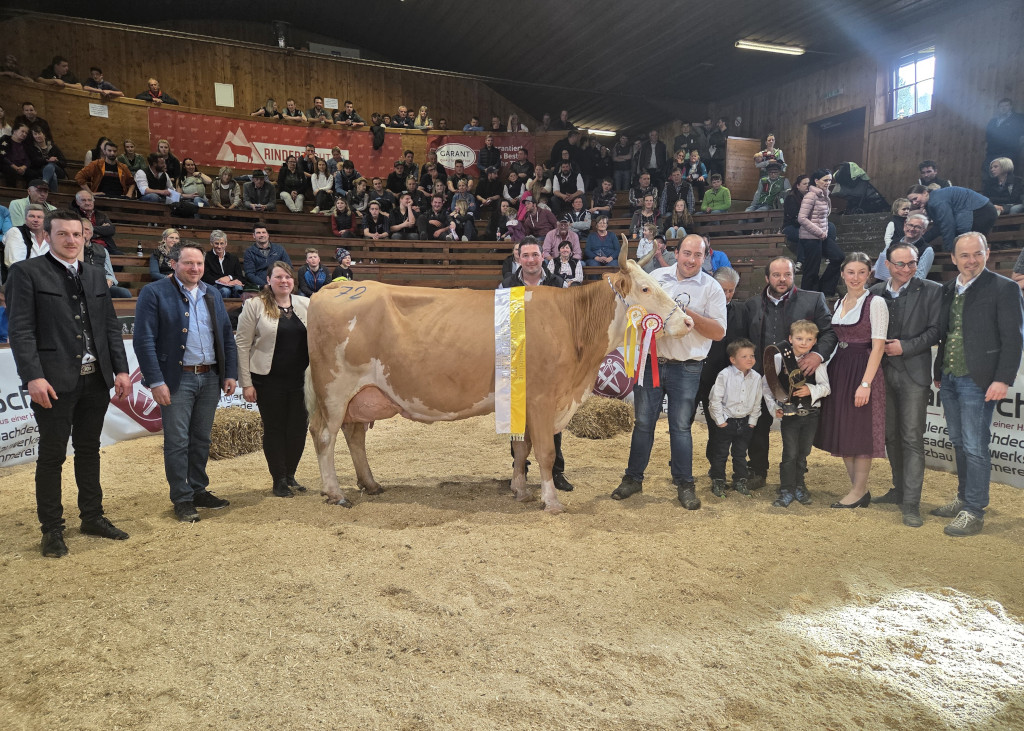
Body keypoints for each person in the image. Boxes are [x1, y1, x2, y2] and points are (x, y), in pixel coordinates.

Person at [7, 210, 132, 557]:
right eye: (63, 234)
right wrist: (32, 376)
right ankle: (52, 528)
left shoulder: (94, 274)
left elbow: (109, 326)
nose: (71, 240)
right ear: (47, 236)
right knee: (52, 456)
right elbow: (20, 330)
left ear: (85, 237)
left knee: (89, 450)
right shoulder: (25, 272)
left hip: (96, 381)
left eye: (77, 234)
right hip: (52, 382)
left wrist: (121, 370)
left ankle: (92, 516)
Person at [612, 234, 726, 509]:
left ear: (705, 257)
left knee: (681, 427)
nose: (691, 260)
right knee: (643, 424)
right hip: (650, 361)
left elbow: (719, 332)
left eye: (698, 255)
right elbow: (634, 310)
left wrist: (685, 314)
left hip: (687, 367)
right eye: (687, 253)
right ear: (677, 253)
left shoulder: (711, 288)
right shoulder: (656, 277)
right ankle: (632, 479)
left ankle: (685, 484)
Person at [134, 242, 237, 523]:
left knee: (201, 439)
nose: (195, 268)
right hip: (177, 379)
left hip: (210, 376)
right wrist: (156, 380)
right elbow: (143, 340)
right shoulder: (154, 292)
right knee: (177, 441)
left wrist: (230, 373)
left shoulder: (212, 293)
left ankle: (198, 489)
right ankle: (182, 498)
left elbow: (226, 337)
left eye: (199, 263)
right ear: (173, 264)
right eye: (189, 263)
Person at [931, 232, 1024, 536]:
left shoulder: (1005, 288)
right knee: (958, 442)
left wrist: (1002, 379)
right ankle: (963, 497)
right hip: (950, 377)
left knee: (974, 445)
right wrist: (939, 371)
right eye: (965, 255)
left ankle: (974, 509)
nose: (971, 261)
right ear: (953, 258)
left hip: (979, 380)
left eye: (977, 254)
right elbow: (947, 334)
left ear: (987, 253)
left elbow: (1014, 339)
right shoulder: (948, 289)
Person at [742, 257, 836, 490]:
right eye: (776, 275)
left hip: (800, 379)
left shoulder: (813, 299)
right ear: (767, 278)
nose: (782, 279)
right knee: (758, 425)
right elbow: (744, 339)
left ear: (794, 276)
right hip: (762, 375)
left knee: (798, 431)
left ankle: (796, 477)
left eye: (787, 274)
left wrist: (817, 355)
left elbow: (829, 332)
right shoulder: (752, 304)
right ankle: (758, 471)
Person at [866, 243, 943, 526]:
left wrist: (905, 346)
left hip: (914, 374)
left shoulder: (933, 290)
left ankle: (911, 503)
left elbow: (936, 330)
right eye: (900, 264)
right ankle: (898, 490)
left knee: (911, 438)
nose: (907, 269)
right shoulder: (874, 292)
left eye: (912, 263)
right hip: (882, 374)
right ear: (887, 265)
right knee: (890, 436)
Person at [813, 253, 888, 509]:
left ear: (869, 274)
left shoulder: (875, 303)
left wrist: (865, 384)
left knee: (861, 430)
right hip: (840, 368)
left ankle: (857, 491)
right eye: (851, 272)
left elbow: (878, 347)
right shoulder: (839, 302)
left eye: (861, 272)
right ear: (843, 274)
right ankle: (858, 489)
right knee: (844, 428)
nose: (856, 278)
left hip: (862, 368)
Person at [499, 237, 574, 492]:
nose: (531, 260)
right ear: (518, 258)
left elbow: (567, 322)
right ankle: (519, 468)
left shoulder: (558, 284)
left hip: (550, 364)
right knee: (517, 417)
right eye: (525, 255)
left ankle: (556, 471)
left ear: (543, 257)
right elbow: (500, 323)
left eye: (535, 255)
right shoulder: (507, 284)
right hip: (517, 360)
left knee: (551, 419)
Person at [235, 261, 310, 497]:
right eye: (278, 277)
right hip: (268, 381)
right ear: (268, 280)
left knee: (298, 429)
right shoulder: (254, 305)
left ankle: (290, 474)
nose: (284, 281)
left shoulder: (306, 304)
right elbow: (242, 344)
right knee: (275, 429)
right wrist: (246, 383)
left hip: (302, 381)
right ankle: (279, 479)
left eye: (288, 277)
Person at [768, 321, 831, 508]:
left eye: (809, 339)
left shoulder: (818, 363)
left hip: (811, 414)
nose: (804, 343)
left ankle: (799, 486)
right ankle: (786, 489)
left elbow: (826, 387)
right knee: (790, 453)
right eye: (799, 338)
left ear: (815, 341)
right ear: (790, 339)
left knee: (803, 453)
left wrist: (810, 389)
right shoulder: (779, 359)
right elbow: (768, 385)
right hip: (790, 415)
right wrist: (773, 407)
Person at [707, 339, 771, 498]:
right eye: (744, 356)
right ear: (733, 359)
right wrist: (721, 421)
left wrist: (752, 422)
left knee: (740, 454)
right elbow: (715, 399)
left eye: (752, 356)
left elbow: (757, 401)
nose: (750, 359)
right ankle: (718, 480)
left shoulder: (756, 377)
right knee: (720, 454)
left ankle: (740, 480)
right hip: (727, 421)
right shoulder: (724, 375)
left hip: (744, 422)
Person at [908, 184, 997, 252]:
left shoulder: (936, 201)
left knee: (966, 246)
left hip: (981, 211)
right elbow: (938, 226)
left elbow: (947, 224)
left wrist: (949, 250)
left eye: (915, 198)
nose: (914, 203)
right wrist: (918, 242)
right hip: (983, 209)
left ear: (925, 193)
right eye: (911, 201)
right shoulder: (933, 200)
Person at [798, 169, 843, 295]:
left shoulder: (824, 195)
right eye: (825, 180)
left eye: (830, 180)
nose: (828, 182)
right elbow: (801, 218)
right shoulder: (811, 196)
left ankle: (825, 289)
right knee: (812, 269)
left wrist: (824, 232)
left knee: (838, 257)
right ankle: (806, 296)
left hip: (821, 236)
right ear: (816, 181)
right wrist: (820, 232)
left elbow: (823, 218)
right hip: (810, 237)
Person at [873, 213, 935, 282]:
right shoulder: (892, 243)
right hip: (883, 284)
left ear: (923, 231)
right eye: (910, 225)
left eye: (917, 227)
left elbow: (920, 277)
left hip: (908, 287)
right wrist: (872, 273)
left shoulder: (927, 250)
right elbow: (879, 264)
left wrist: (896, 280)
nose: (912, 229)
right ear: (905, 226)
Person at [80, 219, 130, 298]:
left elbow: (110, 274)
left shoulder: (102, 250)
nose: (84, 232)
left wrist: (108, 282)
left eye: (87, 229)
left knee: (124, 293)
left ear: (92, 233)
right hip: (82, 286)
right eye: (81, 229)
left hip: (101, 285)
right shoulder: (72, 249)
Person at [3, 204, 48, 274]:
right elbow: (15, 264)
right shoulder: (16, 232)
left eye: (39, 217)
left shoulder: (50, 236)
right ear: (25, 218)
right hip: (22, 277)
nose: (36, 220)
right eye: (31, 216)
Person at [984, 98, 1024, 174]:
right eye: (1001, 106)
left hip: (1008, 154)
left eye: (1006, 105)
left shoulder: (1018, 119)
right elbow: (988, 136)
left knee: (1005, 176)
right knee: (988, 175)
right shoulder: (993, 121)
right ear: (998, 108)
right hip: (992, 153)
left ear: (1011, 107)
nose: (1003, 108)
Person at [202, 230, 245, 298]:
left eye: (222, 243)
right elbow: (206, 277)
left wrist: (229, 277)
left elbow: (240, 277)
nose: (219, 246)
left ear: (226, 243)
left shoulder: (233, 258)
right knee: (225, 291)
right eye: (216, 243)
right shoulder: (206, 257)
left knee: (238, 288)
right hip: (214, 285)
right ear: (211, 243)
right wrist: (222, 281)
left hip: (232, 284)